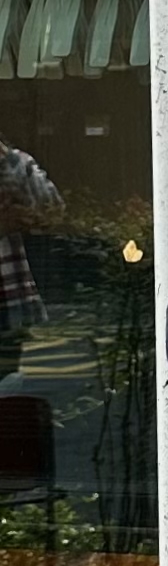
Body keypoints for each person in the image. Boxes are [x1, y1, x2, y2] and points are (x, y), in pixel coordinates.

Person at [0, 138, 62, 384]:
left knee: (7, 377)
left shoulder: (15, 164)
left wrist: (7, 160)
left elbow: (52, 208)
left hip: (7, 297)